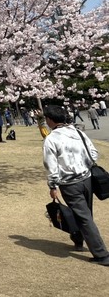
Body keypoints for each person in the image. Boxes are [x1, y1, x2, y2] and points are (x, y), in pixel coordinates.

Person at [42, 105, 109, 265]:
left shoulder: (51, 139)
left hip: (69, 183)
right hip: (87, 179)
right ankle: (78, 238)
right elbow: (93, 153)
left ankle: (102, 254)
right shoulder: (78, 132)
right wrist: (84, 165)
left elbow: (50, 165)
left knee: (83, 216)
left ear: (50, 120)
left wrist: (52, 186)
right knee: (85, 214)